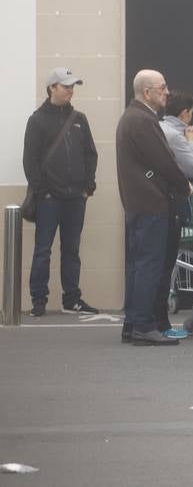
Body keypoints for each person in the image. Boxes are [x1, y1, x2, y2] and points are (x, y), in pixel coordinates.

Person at [116, 70, 191, 346]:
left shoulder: (131, 117)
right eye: (162, 88)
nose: (167, 92)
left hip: (138, 202)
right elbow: (164, 162)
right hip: (151, 203)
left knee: (138, 265)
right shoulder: (143, 120)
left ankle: (133, 324)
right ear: (147, 92)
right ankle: (145, 326)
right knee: (150, 264)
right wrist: (184, 185)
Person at [25, 67, 99, 317]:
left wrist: (88, 186)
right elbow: (30, 161)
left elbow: (90, 154)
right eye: (66, 86)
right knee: (42, 250)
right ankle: (38, 301)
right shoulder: (37, 120)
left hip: (75, 198)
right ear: (51, 88)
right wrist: (42, 191)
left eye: (73, 86)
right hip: (49, 199)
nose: (71, 90)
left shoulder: (79, 119)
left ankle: (72, 299)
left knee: (72, 250)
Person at [156, 90, 193, 339]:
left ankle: (152, 321)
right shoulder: (176, 135)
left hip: (156, 204)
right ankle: (160, 324)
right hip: (171, 204)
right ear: (184, 113)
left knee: (156, 265)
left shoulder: (159, 128)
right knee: (164, 265)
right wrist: (192, 141)